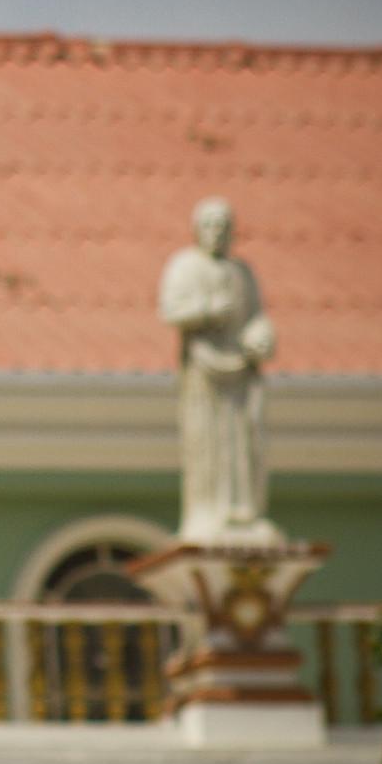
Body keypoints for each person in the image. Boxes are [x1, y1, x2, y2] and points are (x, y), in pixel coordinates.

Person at [158, 197, 281, 544]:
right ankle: (206, 512)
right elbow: (170, 310)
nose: (217, 232)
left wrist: (261, 337)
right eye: (210, 225)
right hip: (204, 370)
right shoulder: (185, 266)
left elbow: (257, 317)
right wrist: (208, 310)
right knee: (207, 440)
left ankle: (242, 512)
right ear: (197, 230)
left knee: (242, 439)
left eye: (223, 226)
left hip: (241, 371)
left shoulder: (242, 273)